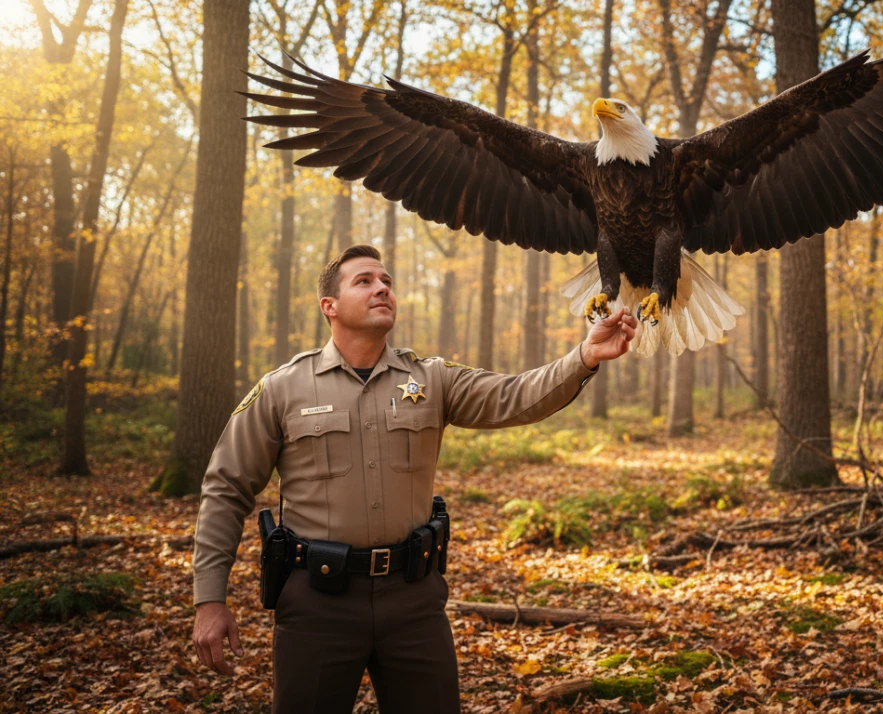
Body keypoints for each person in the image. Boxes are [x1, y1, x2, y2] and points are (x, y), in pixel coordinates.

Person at [191, 244, 637, 713]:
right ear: (330, 307)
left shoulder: (431, 378)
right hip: (317, 604)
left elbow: (516, 395)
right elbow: (226, 488)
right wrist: (209, 599)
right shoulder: (283, 388)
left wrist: (584, 355)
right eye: (363, 281)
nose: (382, 287)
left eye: (386, 281)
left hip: (414, 602)